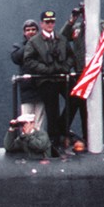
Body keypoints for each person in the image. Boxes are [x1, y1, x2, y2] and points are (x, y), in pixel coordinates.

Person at [19, 10, 77, 150]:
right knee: (52, 109)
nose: (50, 24)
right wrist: (46, 70)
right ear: (42, 23)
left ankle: (62, 127)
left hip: (61, 78)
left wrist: (64, 67)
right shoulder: (34, 42)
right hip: (46, 80)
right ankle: (54, 140)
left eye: (52, 22)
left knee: (76, 98)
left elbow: (71, 56)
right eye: (47, 22)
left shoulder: (61, 39)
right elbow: (29, 61)